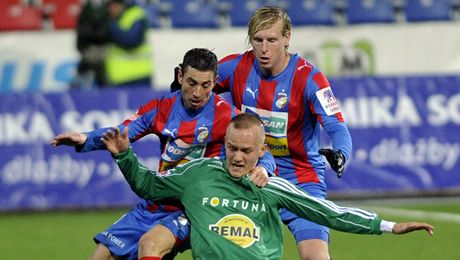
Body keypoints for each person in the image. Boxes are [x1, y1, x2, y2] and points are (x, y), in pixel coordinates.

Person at [101, 113, 434, 260]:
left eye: (246, 151)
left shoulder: (272, 186)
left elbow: (329, 213)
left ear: (262, 151)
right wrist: (124, 157)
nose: (236, 156)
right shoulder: (197, 174)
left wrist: (390, 226)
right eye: (231, 147)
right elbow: (148, 186)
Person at [51, 48, 274, 260]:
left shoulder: (227, 115)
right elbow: (122, 134)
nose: (198, 93)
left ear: (215, 81)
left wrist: (264, 167)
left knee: (150, 244)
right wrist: (85, 138)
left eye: (206, 85)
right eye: (192, 83)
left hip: (195, 206)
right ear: (180, 76)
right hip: (157, 201)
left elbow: (261, 149)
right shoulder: (161, 108)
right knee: (102, 254)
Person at [214, 6, 355, 260]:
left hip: (300, 181)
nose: (264, 48)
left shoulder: (310, 78)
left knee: (316, 256)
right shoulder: (235, 67)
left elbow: (336, 125)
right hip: (248, 179)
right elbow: (197, 88)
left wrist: (341, 154)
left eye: (272, 40)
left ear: (287, 38)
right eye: (258, 40)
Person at [104, 0, 153, 87]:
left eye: (115, 5)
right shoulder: (110, 19)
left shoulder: (136, 15)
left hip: (138, 77)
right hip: (116, 79)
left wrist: (110, 26)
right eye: (109, 6)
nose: (112, 9)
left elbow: (132, 41)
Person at [72, 0, 110, 89]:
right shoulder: (86, 9)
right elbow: (81, 31)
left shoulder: (105, 8)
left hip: (101, 50)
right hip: (89, 50)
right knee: (81, 82)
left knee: (103, 81)